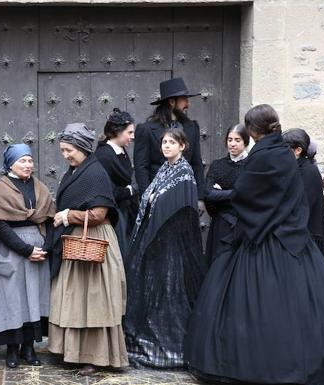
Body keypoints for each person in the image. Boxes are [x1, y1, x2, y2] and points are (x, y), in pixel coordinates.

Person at [185, 104, 324, 385]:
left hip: (261, 239)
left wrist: (222, 196)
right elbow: (284, 195)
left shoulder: (262, 155)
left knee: (257, 305)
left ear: (253, 129)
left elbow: (248, 194)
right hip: (290, 236)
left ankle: (254, 364)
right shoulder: (284, 152)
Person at [47, 123, 128, 376]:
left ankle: (95, 357)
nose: (65, 155)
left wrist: (68, 216)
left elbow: (98, 213)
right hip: (77, 244)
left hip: (93, 242)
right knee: (76, 300)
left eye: (69, 149)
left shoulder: (95, 173)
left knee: (93, 301)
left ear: (82, 147)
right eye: (62, 150)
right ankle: (72, 353)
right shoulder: (75, 171)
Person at [123, 128, 206, 369]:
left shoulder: (184, 174)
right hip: (157, 244)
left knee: (170, 295)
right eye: (164, 142)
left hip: (172, 247)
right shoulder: (164, 170)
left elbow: (183, 213)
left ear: (183, 146)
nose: (166, 146)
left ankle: (172, 349)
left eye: (172, 142)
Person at [0, 144, 55, 368]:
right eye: (22, 161)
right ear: (11, 164)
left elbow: (50, 220)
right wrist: (26, 250)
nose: (28, 165)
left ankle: (29, 348)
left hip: (37, 252)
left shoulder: (40, 188)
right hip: (12, 251)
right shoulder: (1, 189)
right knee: (12, 299)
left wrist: (46, 246)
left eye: (30, 160)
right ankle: (12, 350)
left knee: (33, 298)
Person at [133, 78, 205, 205]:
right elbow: (141, 167)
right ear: (172, 102)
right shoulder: (146, 129)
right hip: (158, 197)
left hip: (186, 194)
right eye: (184, 100)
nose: (188, 104)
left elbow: (197, 163)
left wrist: (200, 198)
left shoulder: (192, 127)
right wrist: (147, 198)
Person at [283, 128, 324, 276]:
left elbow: (301, 205)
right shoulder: (294, 168)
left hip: (309, 239)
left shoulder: (309, 171)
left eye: (285, 149)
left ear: (298, 150)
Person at [94, 108, 139, 255]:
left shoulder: (119, 150)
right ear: (117, 132)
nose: (133, 137)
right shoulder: (104, 155)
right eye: (129, 132)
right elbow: (107, 190)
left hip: (125, 211)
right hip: (113, 215)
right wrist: (130, 190)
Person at [203, 124, 249, 265]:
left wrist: (221, 193)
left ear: (245, 142)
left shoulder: (252, 165)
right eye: (229, 140)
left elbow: (250, 195)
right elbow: (208, 194)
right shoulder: (217, 165)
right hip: (221, 222)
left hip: (245, 223)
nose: (232, 144)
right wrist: (236, 193)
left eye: (237, 140)